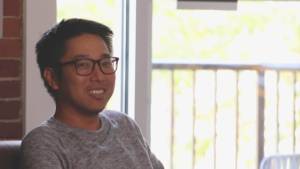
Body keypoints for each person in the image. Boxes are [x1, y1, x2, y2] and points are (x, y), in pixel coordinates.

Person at [21, 18, 164, 169]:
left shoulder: (125, 125)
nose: (99, 76)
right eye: (83, 65)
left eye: (105, 63)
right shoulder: (44, 143)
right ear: (52, 78)